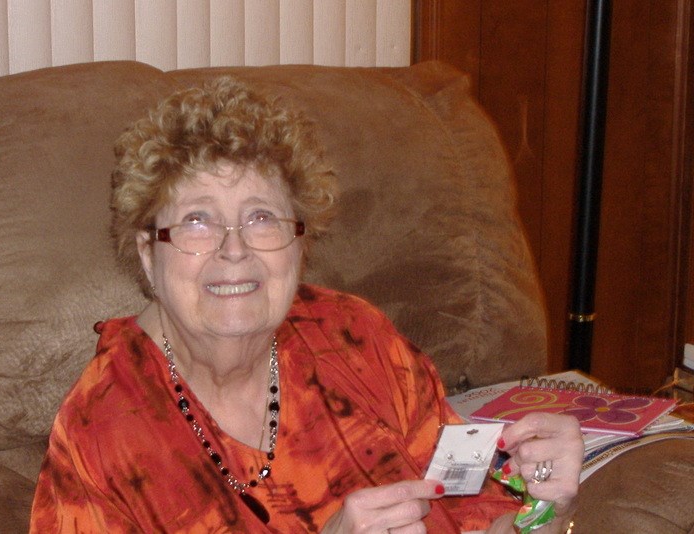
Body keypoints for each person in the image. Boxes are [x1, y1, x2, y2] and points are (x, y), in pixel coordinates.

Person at [29, 77, 583, 533]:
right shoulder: (102, 430)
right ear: (149, 255)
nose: (234, 250)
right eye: (197, 220)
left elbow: (474, 510)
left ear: (300, 245)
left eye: (261, 217)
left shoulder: (355, 338)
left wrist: (546, 513)